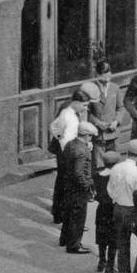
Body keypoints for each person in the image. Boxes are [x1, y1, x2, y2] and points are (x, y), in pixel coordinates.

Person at [107, 138, 137, 273]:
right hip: (132, 211)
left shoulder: (116, 168)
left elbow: (110, 189)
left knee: (122, 245)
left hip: (118, 208)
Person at [49, 88, 91, 224]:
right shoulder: (71, 117)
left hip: (63, 153)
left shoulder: (66, 110)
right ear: (77, 102)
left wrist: (58, 136)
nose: (86, 109)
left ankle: (57, 213)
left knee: (61, 182)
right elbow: (68, 140)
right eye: (84, 105)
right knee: (68, 186)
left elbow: (53, 126)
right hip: (69, 155)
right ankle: (65, 216)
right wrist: (83, 147)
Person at [58, 121, 98, 253]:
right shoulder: (82, 151)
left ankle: (64, 239)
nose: (91, 138)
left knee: (69, 213)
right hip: (78, 189)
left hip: (68, 185)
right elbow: (79, 173)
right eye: (91, 136)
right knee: (78, 217)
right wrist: (87, 186)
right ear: (86, 135)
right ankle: (74, 245)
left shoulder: (70, 144)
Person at [82, 59, 121, 166]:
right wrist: (98, 122)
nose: (107, 78)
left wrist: (116, 122)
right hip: (98, 134)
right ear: (98, 74)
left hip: (113, 133)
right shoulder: (90, 88)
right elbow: (85, 112)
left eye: (109, 74)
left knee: (114, 163)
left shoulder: (115, 88)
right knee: (99, 166)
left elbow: (120, 108)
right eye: (104, 75)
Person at [93, 149, 122, 273]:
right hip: (113, 210)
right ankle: (111, 265)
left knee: (101, 236)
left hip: (101, 211)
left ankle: (101, 261)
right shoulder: (116, 177)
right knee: (113, 238)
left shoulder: (97, 176)